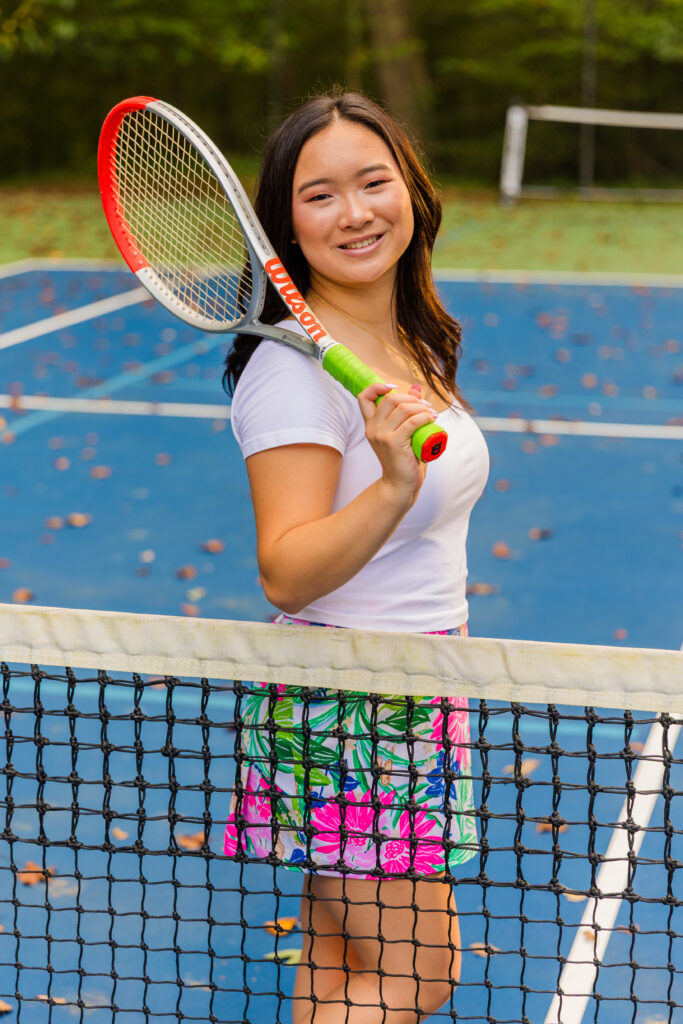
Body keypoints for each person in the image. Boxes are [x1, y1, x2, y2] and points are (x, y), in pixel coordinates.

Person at [222, 89, 489, 1024]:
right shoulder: (293, 371)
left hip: (413, 679)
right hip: (353, 705)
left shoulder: (402, 335)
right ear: (284, 227)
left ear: (409, 190)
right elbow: (286, 571)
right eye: (319, 194)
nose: (355, 212)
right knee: (418, 975)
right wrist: (390, 487)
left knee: (338, 961)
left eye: (373, 182)